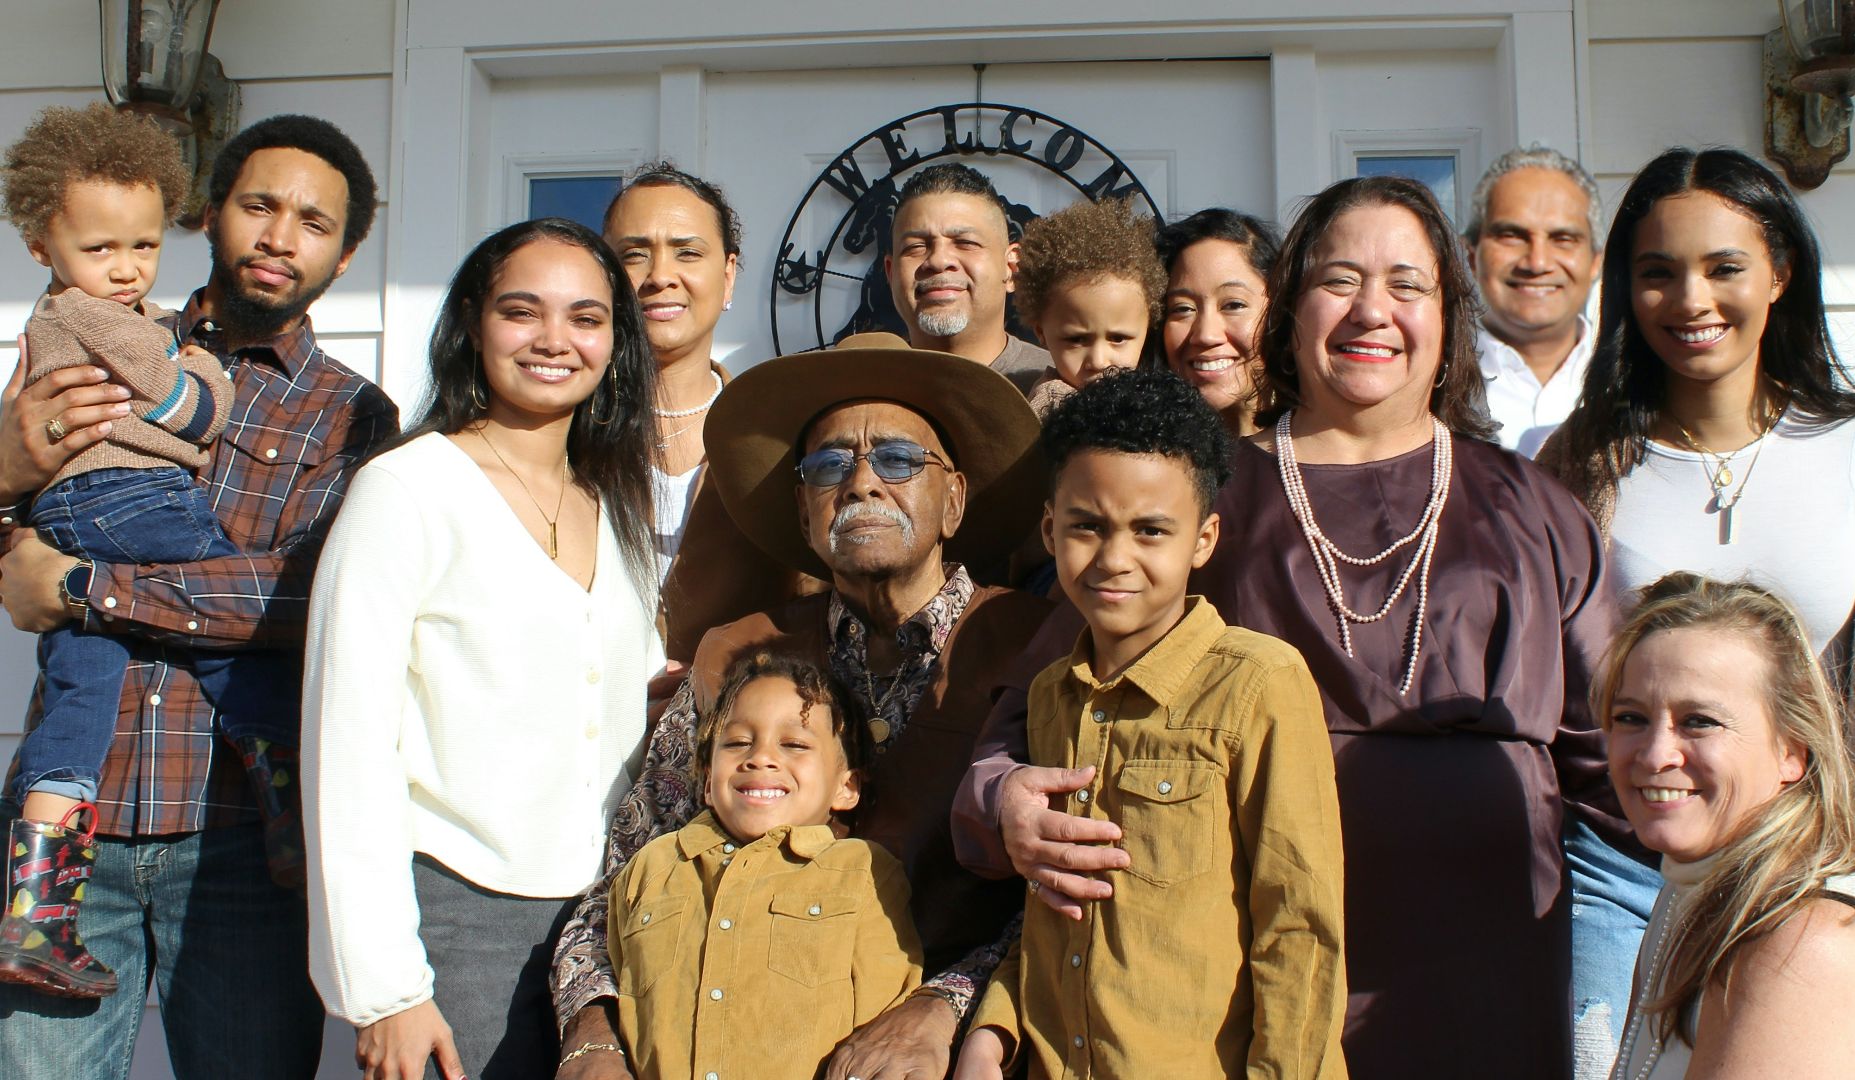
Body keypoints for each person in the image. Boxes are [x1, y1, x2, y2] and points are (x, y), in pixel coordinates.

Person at [955, 176, 1627, 1079]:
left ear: (1449, 314)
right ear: (1292, 308)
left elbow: (1614, 781)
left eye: (1406, 285)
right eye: (1339, 280)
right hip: (1228, 1002)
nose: (1371, 312)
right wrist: (1006, 803)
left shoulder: (1535, 509)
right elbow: (1027, 728)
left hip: (1492, 980)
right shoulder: (1192, 500)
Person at [549, 332, 1064, 1080]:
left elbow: (1065, 895)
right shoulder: (735, 657)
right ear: (802, 509)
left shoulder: (1033, 646)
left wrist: (943, 1006)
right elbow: (623, 882)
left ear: (953, 498)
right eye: (829, 464)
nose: (860, 483)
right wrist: (591, 1037)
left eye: (896, 459)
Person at [0, 113, 395, 1078]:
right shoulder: (91, 333)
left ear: (343, 259)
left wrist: (87, 588)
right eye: (258, 205)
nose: (278, 235)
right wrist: (3, 476)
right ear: (209, 215)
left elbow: (301, 599)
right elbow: (24, 536)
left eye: (312, 222)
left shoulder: (355, 415)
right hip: (70, 850)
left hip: (241, 850)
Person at [1537, 146, 1855, 1076]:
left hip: (1812, 863)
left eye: (1724, 267)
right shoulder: (1577, 465)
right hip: (1633, 866)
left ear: (1782, 273)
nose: (1691, 300)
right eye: (1657, 273)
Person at [304, 217, 661, 1080]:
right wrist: (385, 987)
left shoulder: (611, 502)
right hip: (456, 917)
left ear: (615, 342)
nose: (554, 340)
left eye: (586, 317)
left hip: (605, 923)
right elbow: (344, 742)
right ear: (472, 321)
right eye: (521, 310)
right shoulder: (407, 489)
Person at [953, 368, 1346, 1079]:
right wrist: (996, 1026)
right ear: (1049, 528)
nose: (1114, 558)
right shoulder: (1050, 695)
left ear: (1203, 538)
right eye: (1087, 526)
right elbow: (1051, 911)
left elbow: (1300, 932)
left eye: (1151, 531)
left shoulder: (1259, 684)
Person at [0, 103, 235, 998]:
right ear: (40, 243)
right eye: (103, 250)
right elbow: (191, 414)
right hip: (127, 499)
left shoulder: (59, 320)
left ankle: (35, 915)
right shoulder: (106, 319)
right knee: (224, 608)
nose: (128, 268)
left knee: (76, 707)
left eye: (143, 246)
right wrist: (200, 375)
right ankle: (279, 777)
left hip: (66, 518)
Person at [1600, 573, 1855, 1079]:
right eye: (1631, 718)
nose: (1656, 753)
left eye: (1700, 721)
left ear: (1791, 750)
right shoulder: (1694, 890)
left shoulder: (1806, 945)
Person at [607, 650, 922, 1080]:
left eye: (794, 744)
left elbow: (884, 1018)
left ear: (846, 788)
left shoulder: (864, 872)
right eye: (737, 742)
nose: (761, 758)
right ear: (705, 780)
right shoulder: (651, 867)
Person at [601, 161, 739, 583]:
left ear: (728, 276)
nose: (660, 276)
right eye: (634, 255)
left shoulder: (774, 434)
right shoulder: (567, 428)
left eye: (688, 253)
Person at [1465, 145, 1604, 458]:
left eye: (1563, 239)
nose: (1537, 262)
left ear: (1595, 261)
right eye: (1512, 235)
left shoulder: (1632, 380)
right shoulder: (1429, 385)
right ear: (1473, 256)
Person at [886, 162, 1052, 394]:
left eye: (966, 243)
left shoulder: (1064, 388)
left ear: (1012, 267)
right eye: (916, 247)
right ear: (890, 272)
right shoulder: (857, 390)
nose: (939, 261)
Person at [1010, 198, 1164, 414]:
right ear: (1040, 331)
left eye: (1118, 339)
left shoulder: (1145, 393)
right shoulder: (1054, 404)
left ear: (1147, 329)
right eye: (1077, 340)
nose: (1099, 361)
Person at [1155, 208, 1281, 436]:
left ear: (1279, 312)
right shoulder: (1138, 460)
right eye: (1183, 308)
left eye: (1233, 305)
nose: (1205, 335)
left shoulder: (1323, 450)